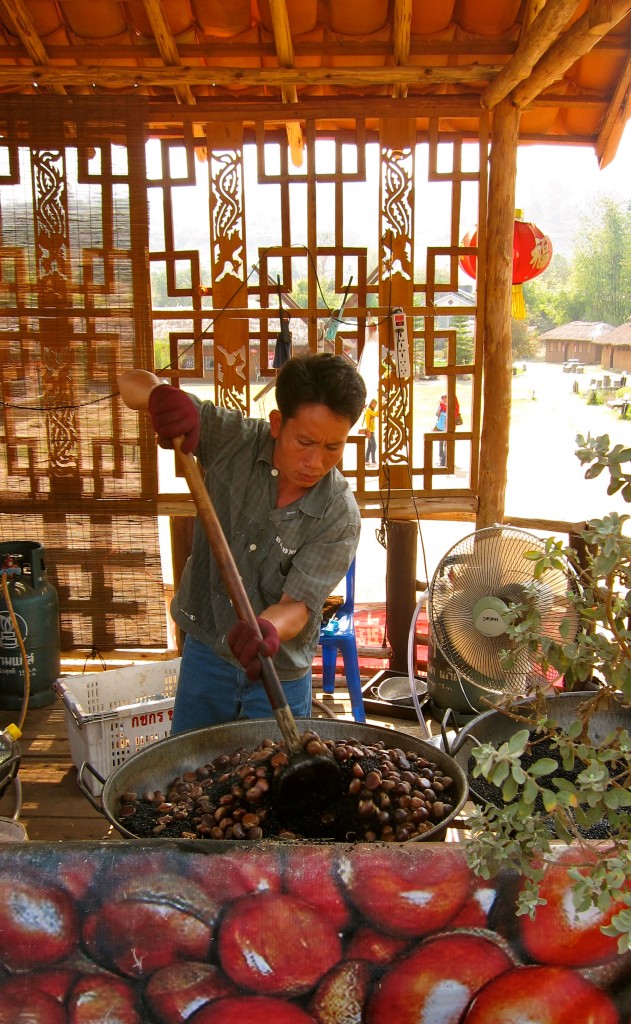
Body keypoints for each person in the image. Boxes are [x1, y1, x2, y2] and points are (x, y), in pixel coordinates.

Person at [118, 353, 367, 734]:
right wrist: (158, 396)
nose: (316, 462)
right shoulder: (234, 439)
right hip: (207, 647)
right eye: (305, 442)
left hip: (279, 669)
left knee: (276, 780)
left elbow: (298, 605)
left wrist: (264, 629)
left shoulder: (338, 514)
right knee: (192, 771)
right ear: (277, 423)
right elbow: (129, 382)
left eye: (334, 447)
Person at [363, 398, 378, 466]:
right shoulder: (369, 410)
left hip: (371, 430)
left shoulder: (370, 410)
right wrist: (381, 407)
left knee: (370, 446)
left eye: (375, 404)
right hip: (370, 431)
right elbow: (376, 414)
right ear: (371, 403)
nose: (375, 405)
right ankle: (373, 460)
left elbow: (376, 414)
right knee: (374, 446)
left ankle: (366, 460)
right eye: (374, 404)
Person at [435, 394, 448, 467]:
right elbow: (436, 414)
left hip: (446, 427)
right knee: (441, 443)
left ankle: (444, 459)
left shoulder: (449, 407)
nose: (444, 400)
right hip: (440, 427)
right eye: (443, 398)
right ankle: (441, 457)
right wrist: (440, 408)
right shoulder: (441, 406)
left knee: (445, 444)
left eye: (445, 398)